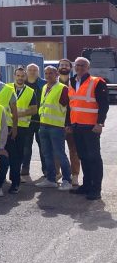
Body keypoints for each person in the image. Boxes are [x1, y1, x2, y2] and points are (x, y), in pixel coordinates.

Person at [68, 57, 109, 200]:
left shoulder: (97, 82)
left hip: (91, 127)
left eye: (83, 65)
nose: (79, 67)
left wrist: (100, 123)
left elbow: (104, 105)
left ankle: (96, 189)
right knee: (83, 157)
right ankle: (86, 186)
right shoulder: (72, 82)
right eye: (77, 65)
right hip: (77, 126)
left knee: (94, 158)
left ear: (88, 68)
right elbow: (71, 105)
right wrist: (69, 124)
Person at [37, 65, 71, 190]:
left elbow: (68, 108)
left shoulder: (63, 88)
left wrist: (68, 124)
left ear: (57, 74)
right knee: (47, 154)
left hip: (57, 127)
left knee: (60, 154)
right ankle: (51, 179)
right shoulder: (45, 87)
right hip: (44, 125)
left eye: (51, 73)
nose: (48, 76)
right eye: (46, 73)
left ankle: (67, 180)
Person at [8, 67, 37, 194]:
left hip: (23, 127)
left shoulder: (30, 91)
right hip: (7, 126)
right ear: (14, 76)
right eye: (18, 75)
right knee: (6, 154)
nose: (20, 78)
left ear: (25, 77)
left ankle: (15, 182)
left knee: (18, 155)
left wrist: (18, 114)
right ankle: (7, 177)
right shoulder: (7, 88)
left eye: (22, 76)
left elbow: (34, 110)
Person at [58, 58, 81, 185]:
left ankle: (75, 175)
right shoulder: (52, 83)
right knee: (57, 150)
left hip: (72, 123)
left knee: (74, 150)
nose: (64, 67)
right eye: (62, 65)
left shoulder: (75, 83)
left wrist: (69, 123)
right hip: (56, 123)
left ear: (70, 68)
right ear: (58, 67)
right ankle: (56, 173)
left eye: (67, 65)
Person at [22, 63, 45, 178]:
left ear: (38, 72)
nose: (32, 72)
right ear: (26, 71)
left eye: (34, 70)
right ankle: (25, 168)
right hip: (26, 121)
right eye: (30, 69)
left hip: (41, 121)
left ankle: (46, 170)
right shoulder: (21, 84)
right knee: (26, 146)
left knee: (43, 147)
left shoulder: (44, 84)